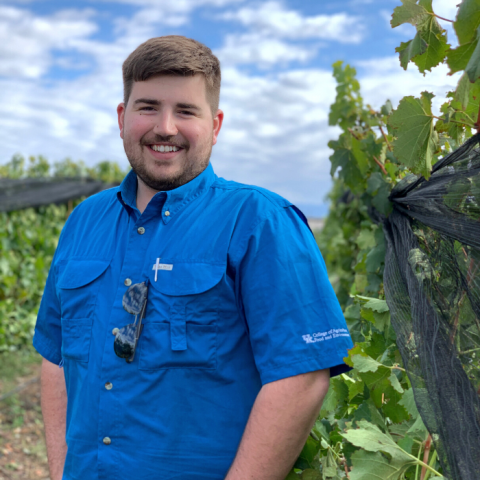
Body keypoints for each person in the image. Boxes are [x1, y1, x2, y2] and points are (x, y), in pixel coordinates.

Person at [33, 35, 353, 480]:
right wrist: (60, 470)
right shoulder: (85, 220)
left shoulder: (260, 220)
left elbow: (302, 377)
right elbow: (55, 355)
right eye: (147, 107)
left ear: (216, 125)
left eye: (186, 111)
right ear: (123, 118)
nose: (165, 127)